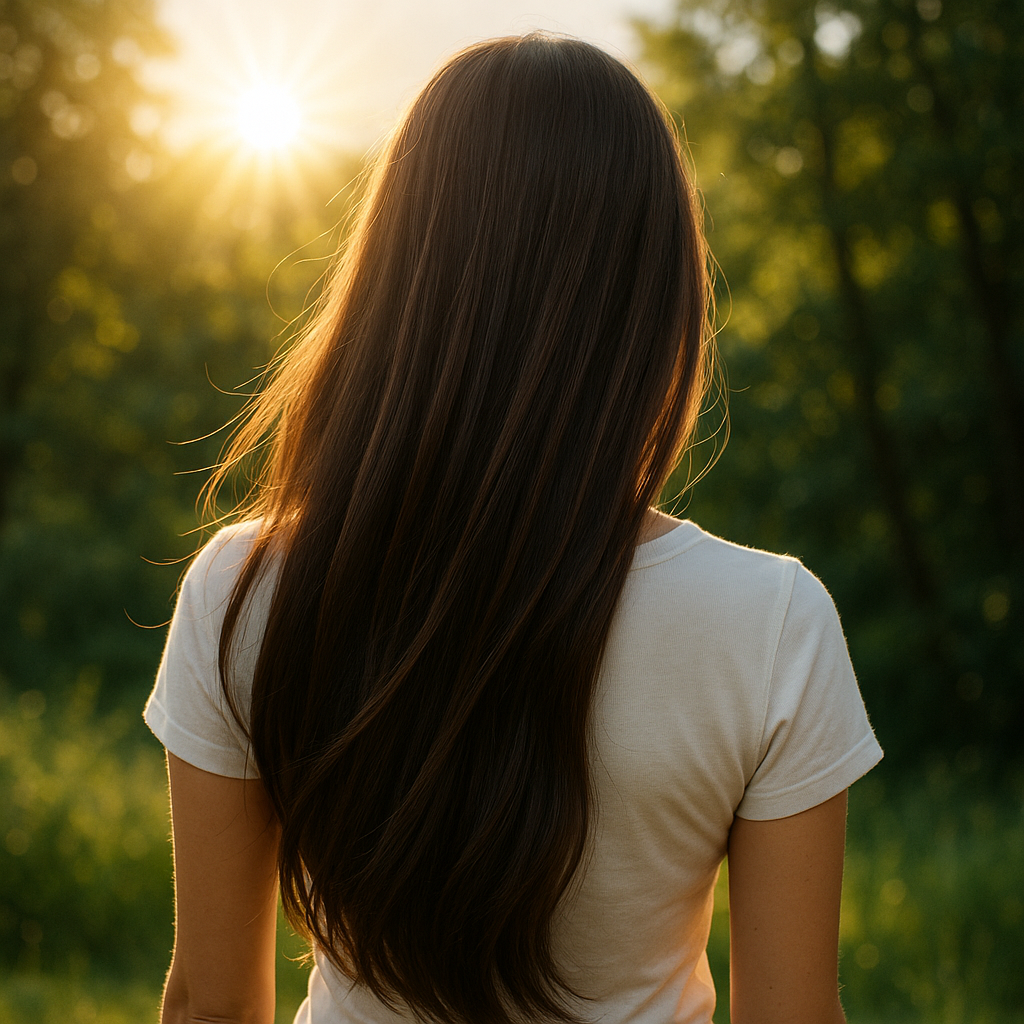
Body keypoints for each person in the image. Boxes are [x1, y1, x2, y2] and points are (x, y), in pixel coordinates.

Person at [144, 33, 882, 1024]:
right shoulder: (770, 622)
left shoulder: (244, 587)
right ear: (654, 297)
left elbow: (211, 1008)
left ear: (401, 277)